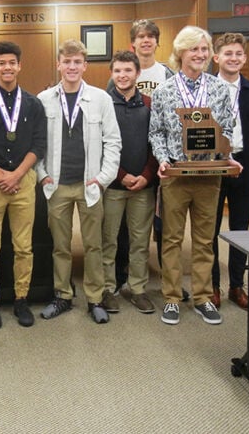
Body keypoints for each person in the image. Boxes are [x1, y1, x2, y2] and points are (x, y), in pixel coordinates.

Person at [149, 26, 240, 326]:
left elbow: (227, 128)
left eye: (204, 49)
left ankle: (202, 297)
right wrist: (163, 160)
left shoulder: (218, 89)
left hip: (209, 175)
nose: (200, 55)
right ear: (181, 53)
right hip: (175, 174)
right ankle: (172, 298)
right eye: (194, 49)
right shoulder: (163, 91)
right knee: (172, 239)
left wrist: (226, 158)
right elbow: (157, 132)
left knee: (204, 240)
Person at [36, 39, 122, 324]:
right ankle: (63, 295)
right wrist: (42, 174)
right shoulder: (45, 98)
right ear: (58, 64)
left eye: (77, 62)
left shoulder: (101, 99)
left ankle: (95, 298)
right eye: (66, 61)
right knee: (60, 246)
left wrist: (102, 179)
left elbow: (113, 142)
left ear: (85, 65)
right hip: (57, 185)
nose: (71, 67)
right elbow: (36, 143)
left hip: (90, 186)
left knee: (93, 245)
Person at [0, 41, 46, 329]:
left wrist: (16, 174)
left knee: (23, 246)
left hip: (23, 181)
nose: (7, 67)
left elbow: (39, 145)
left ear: (20, 66)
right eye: (2, 63)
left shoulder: (33, 103)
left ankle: (21, 299)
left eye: (12, 62)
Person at [210, 33, 249, 309]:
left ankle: (235, 285)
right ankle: (212, 286)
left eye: (238, 54)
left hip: (245, 166)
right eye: (227, 53)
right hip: (212, 166)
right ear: (216, 57)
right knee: (208, 229)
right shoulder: (205, 89)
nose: (233, 59)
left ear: (244, 58)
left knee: (240, 229)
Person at [102, 50, 158, 314]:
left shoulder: (150, 104)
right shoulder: (102, 103)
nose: (122, 76)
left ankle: (137, 289)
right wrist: (121, 174)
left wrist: (146, 176)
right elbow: (99, 146)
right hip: (113, 185)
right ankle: (107, 288)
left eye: (128, 70)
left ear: (137, 73)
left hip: (143, 187)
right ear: (111, 74)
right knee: (109, 240)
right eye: (117, 71)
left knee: (139, 241)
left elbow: (156, 144)